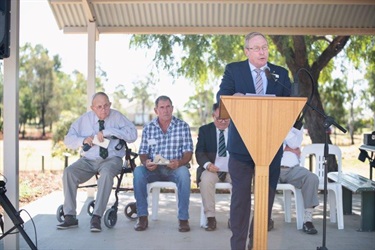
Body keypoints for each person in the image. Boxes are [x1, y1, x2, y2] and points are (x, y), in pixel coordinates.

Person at [216, 31, 292, 250]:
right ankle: (238, 246)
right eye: (257, 48)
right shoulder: (234, 70)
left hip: (270, 148)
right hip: (241, 149)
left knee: (265, 200)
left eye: (265, 47)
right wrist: (234, 99)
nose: (262, 52)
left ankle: (255, 243)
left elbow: (290, 106)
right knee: (240, 201)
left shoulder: (279, 74)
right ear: (247, 51)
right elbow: (222, 97)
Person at [57, 92, 138, 232]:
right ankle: (69, 216)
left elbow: (133, 135)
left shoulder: (117, 117)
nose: (103, 109)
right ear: (92, 108)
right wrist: (82, 140)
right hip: (88, 160)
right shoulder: (84, 120)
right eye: (99, 107)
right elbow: (68, 140)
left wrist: (109, 131)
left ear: (110, 105)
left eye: (106, 105)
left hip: (111, 160)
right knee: (69, 172)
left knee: (106, 174)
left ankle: (96, 216)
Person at [133, 95, 193, 232]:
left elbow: (188, 153)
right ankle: (142, 217)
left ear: (172, 108)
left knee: (184, 174)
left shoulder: (183, 126)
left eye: (168, 107)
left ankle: (183, 219)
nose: (165, 110)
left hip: (174, 168)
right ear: (156, 110)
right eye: (162, 107)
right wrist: (146, 162)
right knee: (138, 172)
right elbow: (143, 152)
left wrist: (179, 163)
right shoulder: (148, 128)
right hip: (154, 169)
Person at [195, 102, 231, 231]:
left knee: (241, 181)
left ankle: (234, 217)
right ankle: (210, 218)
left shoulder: (237, 130)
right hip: (212, 168)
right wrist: (208, 165)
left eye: (225, 118)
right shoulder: (205, 130)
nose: (222, 121)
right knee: (206, 180)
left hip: (231, 169)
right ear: (212, 116)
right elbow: (199, 152)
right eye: (218, 119)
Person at [279, 126, 319, 234]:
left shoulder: (297, 125)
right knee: (262, 179)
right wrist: (285, 148)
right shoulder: (271, 120)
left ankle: (307, 220)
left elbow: (294, 144)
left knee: (312, 178)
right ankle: (265, 218)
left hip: (293, 168)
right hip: (273, 168)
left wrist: (284, 133)